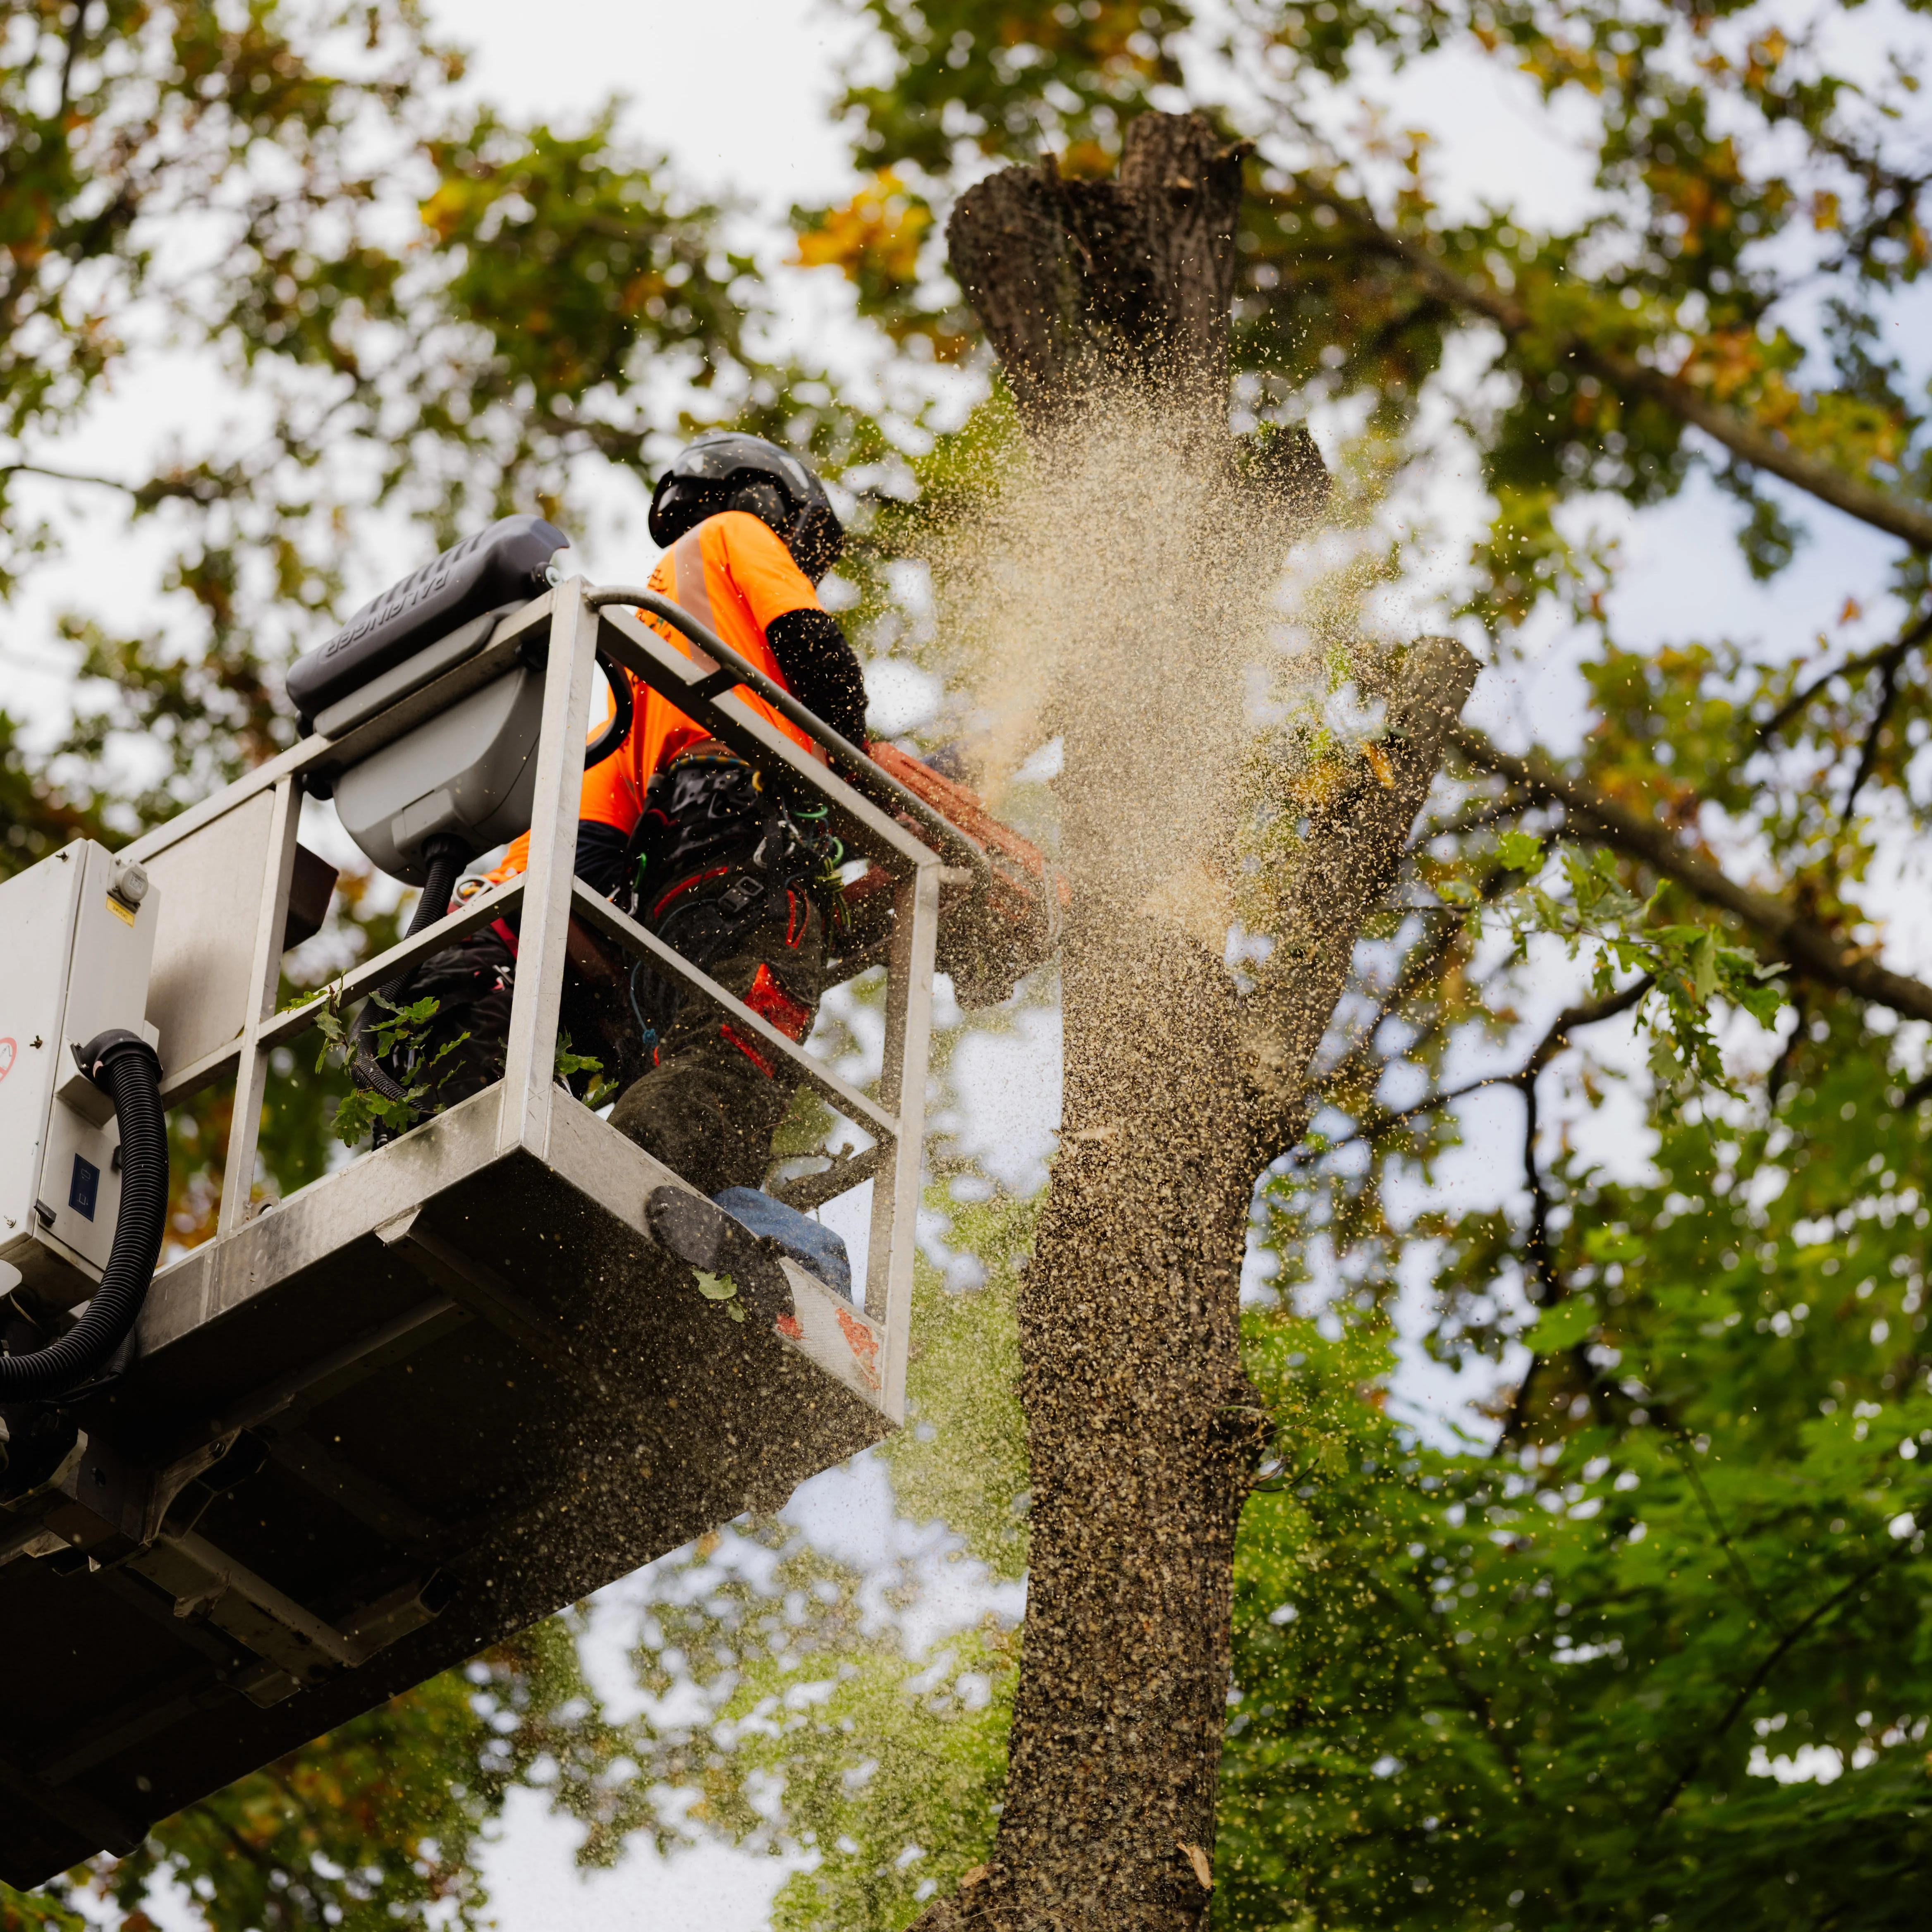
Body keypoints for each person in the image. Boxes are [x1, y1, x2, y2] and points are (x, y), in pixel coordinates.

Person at [397, 434, 869, 1203]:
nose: (798, 566)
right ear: (762, 496)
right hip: (740, 824)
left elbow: (591, 854)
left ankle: (632, 1191)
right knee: (735, 1042)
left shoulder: (644, 671)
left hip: (666, 863)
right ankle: (638, 1195)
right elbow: (815, 652)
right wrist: (859, 773)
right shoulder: (733, 536)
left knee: (681, 1037)